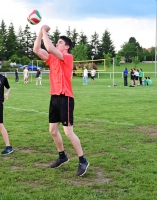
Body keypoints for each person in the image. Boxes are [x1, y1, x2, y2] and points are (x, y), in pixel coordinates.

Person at [33, 25, 89, 176]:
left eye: (60, 42)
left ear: (67, 47)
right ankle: (62, 156)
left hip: (66, 98)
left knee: (68, 132)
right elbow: (37, 50)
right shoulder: (52, 59)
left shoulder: (68, 57)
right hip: (55, 97)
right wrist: (40, 32)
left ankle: (83, 160)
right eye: (57, 42)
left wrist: (44, 31)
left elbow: (50, 48)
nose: (57, 43)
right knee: (52, 130)